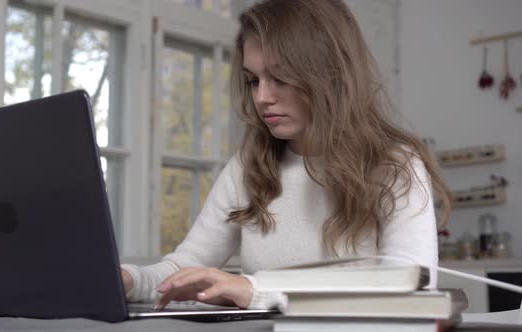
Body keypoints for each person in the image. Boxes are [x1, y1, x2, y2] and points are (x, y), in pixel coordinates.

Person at [120, 0, 451, 311]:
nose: (262, 97)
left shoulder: (395, 166)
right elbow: (183, 270)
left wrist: (256, 291)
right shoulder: (247, 167)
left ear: (328, 73)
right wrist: (129, 280)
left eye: (279, 77)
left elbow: (412, 295)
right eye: (253, 80)